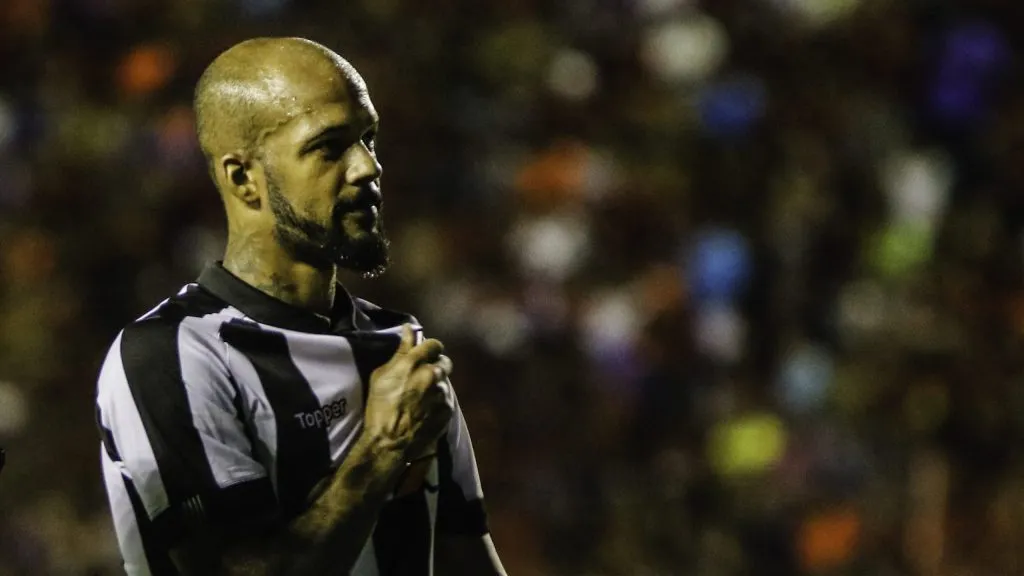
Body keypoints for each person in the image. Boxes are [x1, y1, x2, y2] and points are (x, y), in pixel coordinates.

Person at [94, 37, 507, 576]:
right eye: (330, 147)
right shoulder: (172, 356)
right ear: (244, 178)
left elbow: (465, 556)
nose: (367, 168)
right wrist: (382, 448)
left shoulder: (399, 348)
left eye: (369, 139)